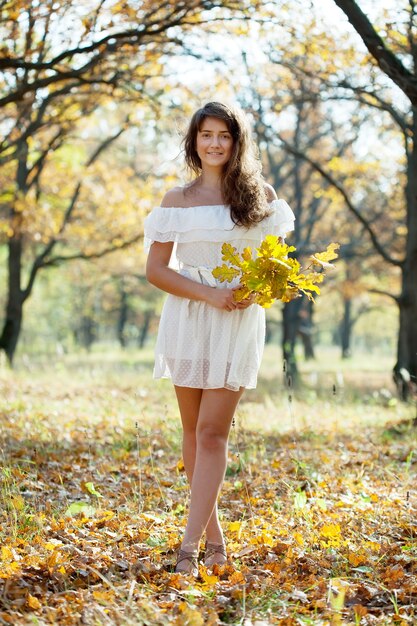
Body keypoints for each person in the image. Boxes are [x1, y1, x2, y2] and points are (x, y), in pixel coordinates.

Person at [144, 101, 295, 576]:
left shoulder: (260, 197)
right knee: (191, 432)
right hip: (190, 315)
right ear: (194, 142)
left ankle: (188, 550)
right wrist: (209, 294)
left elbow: (277, 268)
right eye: (206, 135)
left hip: (236, 322)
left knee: (213, 432)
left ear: (237, 142)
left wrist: (253, 291)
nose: (214, 143)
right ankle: (215, 541)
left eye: (224, 135)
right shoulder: (176, 200)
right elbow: (155, 271)